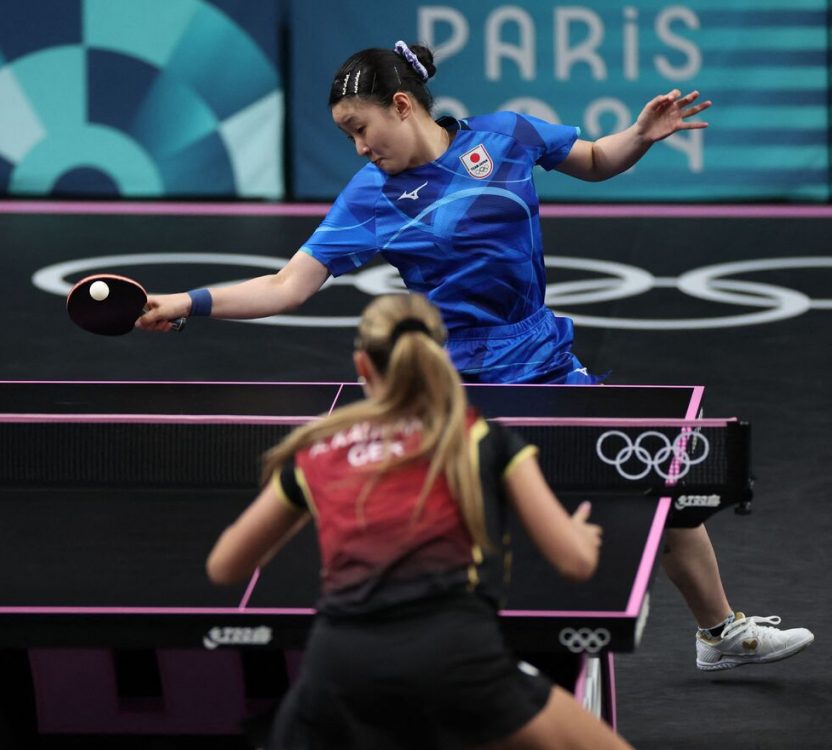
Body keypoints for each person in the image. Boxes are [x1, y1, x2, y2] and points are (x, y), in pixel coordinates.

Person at [143, 41, 813, 670]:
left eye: (361, 127)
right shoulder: (371, 196)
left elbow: (596, 161)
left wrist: (638, 137)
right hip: (453, 384)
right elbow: (287, 286)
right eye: (347, 134)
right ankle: (464, 656)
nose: (357, 147)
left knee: (663, 484)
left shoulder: (509, 135)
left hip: (545, 357)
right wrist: (187, 301)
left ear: (402, 106)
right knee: (464, 526)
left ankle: (721, 634)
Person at [207, 293, 633, 749]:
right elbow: (575, 564)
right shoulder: (482, 440)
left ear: (362, 366)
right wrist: (583, 538)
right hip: (456, 662)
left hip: (341, 670)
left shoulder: (317, 455)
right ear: (440, 358)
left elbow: (225, 568)